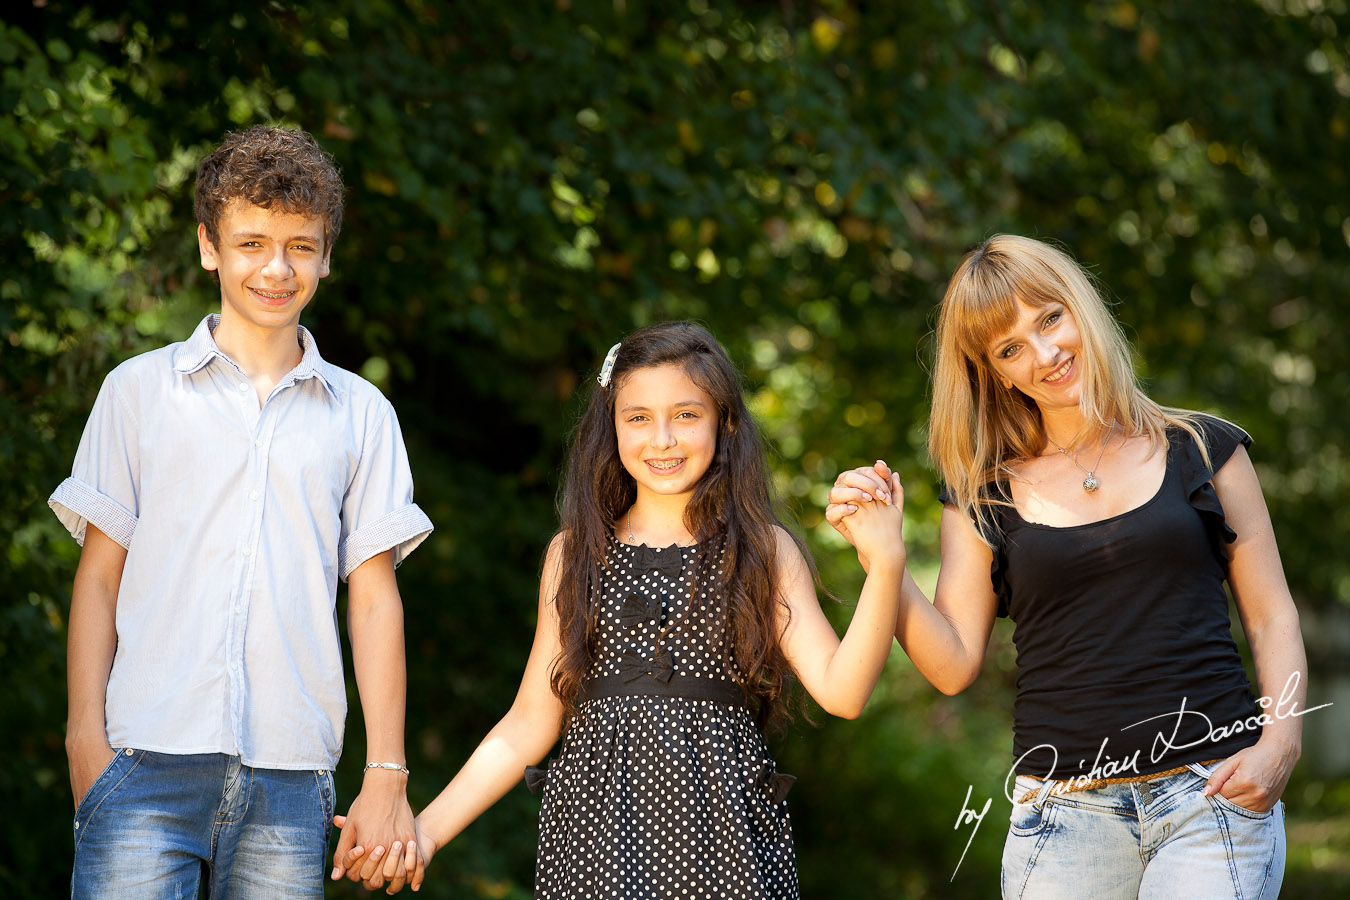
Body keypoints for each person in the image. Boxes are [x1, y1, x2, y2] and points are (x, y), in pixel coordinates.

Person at [334, 322, 906, 895]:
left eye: (686, 415)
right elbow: (531, 720)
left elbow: (843, 690)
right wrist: (425, 834)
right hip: (594, 847)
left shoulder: (762, 549)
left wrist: (884, 565)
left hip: (727, 847)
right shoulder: (574, 554)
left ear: (724, 421)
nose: (662, 439)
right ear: (611, 426)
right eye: (638, 417)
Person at [827, 234, 1307, 898]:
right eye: (1009, 348)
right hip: (1063, 814)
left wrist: (1281, 743)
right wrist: (885, 559)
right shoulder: (980, 496)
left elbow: (1272, 614)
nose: (1045, 354)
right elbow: (953, 664)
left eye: (1049, 318)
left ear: (1080, 307)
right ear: (992, 371)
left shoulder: (1204, 447)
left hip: (1212, 793)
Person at [50, 124, 433, 898]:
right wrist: (83, 742)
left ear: (326, 256)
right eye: (251, 242)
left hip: (290, 781)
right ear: (209, 247)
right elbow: (98, 579)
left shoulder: (361, 415)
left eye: (300, 245)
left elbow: (373, 599)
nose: (276, 266)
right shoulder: (136, 392)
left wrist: (386, 771)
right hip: (141, 763)